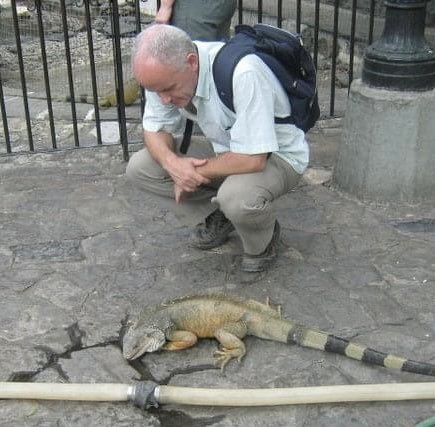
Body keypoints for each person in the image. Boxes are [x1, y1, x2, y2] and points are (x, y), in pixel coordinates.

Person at [126, 24, 309, 276]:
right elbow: (154, 130)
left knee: (237, 198)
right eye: (156, 92)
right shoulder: (165, 75)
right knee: (141, 168)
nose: (164, 99)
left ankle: (263, 243)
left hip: (277, 157)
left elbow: (254, 159)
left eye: (168, 89)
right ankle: (221, 216)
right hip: (227, 149)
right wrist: (172, 164)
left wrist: (187, 170)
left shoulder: (244, 72)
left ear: (191, 62)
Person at [154, 0, 237, 41]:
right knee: (216, 54)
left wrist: (165, 6)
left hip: (195, 7)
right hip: (221, 5)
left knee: (189, 58)